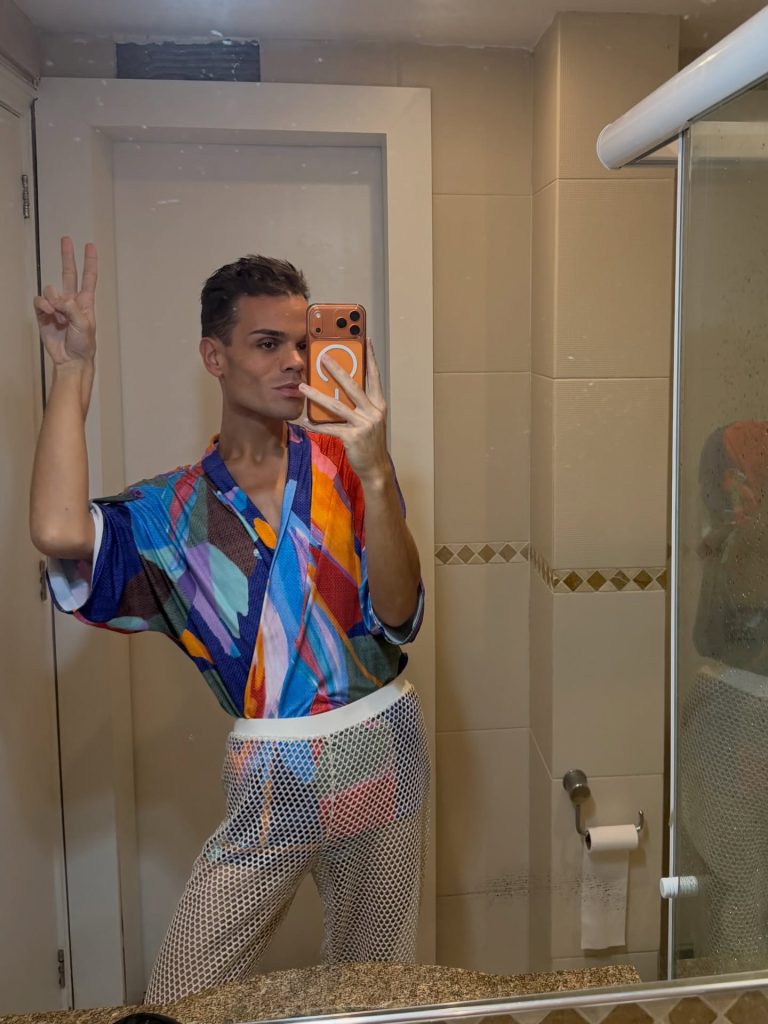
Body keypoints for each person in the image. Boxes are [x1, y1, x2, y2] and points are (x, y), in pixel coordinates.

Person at [29, 237, 430, 1003]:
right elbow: (57, 531)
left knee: (376, 991)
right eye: (268, 344)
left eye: (304, 344)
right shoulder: (172, 510)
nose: (295, 363)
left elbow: (401, 614)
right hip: (273, 770)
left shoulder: (346, 468)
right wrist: (73, 371)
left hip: (383, 742)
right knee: (183, 996)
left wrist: (378, 471)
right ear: (214, 357)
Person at [679, 419, 768, 965]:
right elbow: (709, 635)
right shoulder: (736, 544)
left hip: (741, 722)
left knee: (744, 897)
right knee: (741, 896)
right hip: (735, 722)